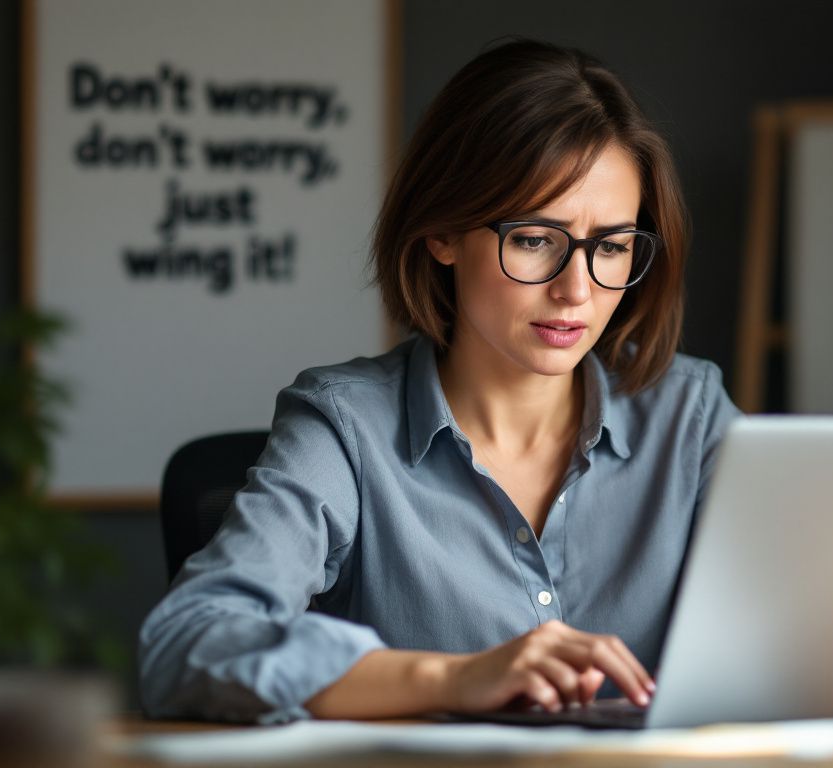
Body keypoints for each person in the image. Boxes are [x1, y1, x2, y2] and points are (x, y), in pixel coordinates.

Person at [138, 38, 741, 724]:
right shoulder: (346, 428)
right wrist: (455, 678)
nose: (577, 290)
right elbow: (185, 642)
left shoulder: (692, 418)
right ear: (444, 232)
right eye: (536, 239)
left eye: (610, 246)